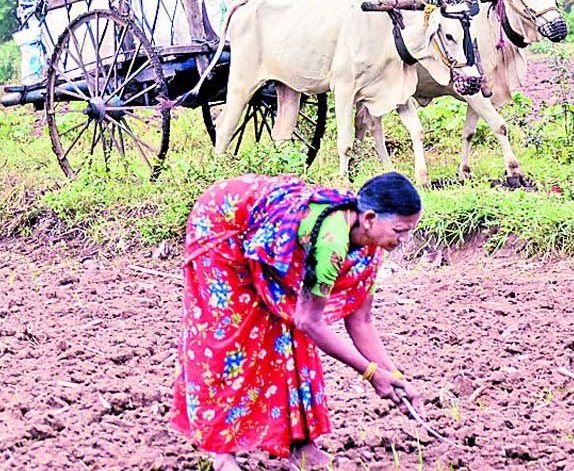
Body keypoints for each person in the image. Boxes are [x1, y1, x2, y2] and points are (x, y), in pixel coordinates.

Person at [172, 172, 423, 471]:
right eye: (399, 230)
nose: (404, 239)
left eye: (409, 230)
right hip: (224, 222)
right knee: (232, 335)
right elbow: (311, 321)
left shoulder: (370, 243)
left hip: (261, 228)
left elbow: (361, 321)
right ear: (369, 218)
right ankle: (222, 451)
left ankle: (300, 445)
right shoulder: (332, 244)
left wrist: (394, 376)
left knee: (288, 333)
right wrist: (370, 373)